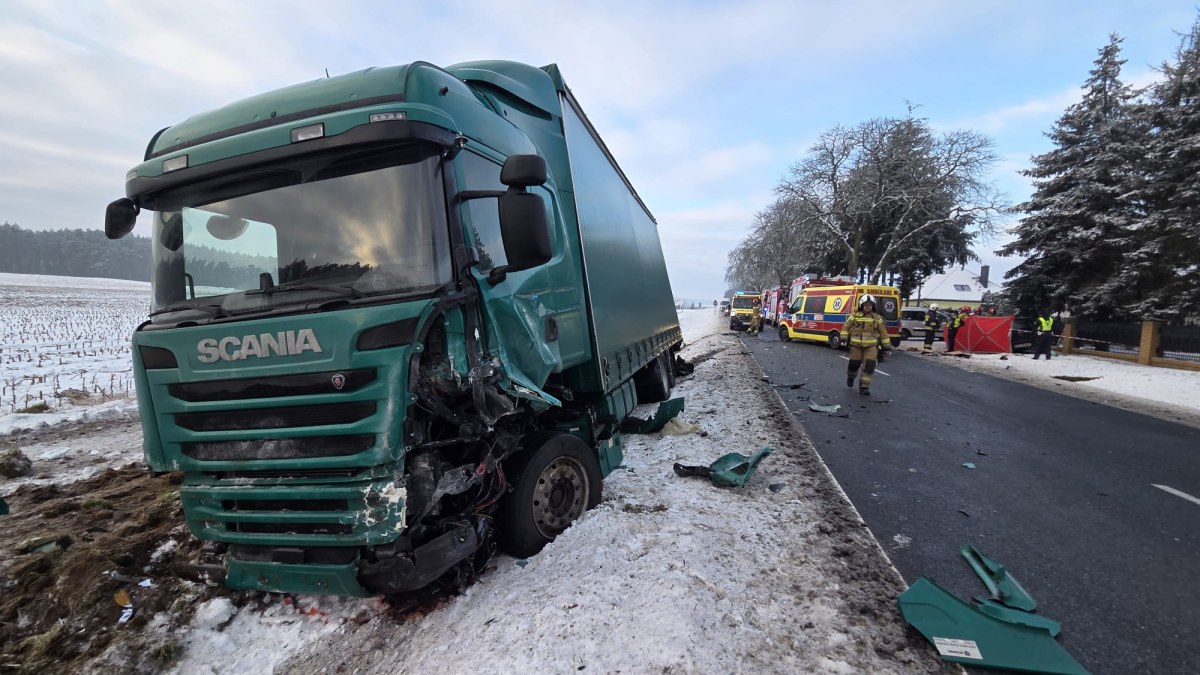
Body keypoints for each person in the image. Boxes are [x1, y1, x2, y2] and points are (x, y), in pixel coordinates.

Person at [839, 294, 892, 395]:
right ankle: (851, 377)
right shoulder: (854, 316)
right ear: (861, 305)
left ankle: (864, 387)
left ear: (873, 305)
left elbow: (883, 333)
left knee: (869, 365)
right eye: (865, 304)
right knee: (854, 364)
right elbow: (846, 327)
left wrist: (887, 348)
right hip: (856, 346)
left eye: (870, 304)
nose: (868, 306)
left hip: (871, 347)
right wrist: (844, 337)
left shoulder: (877, 318)